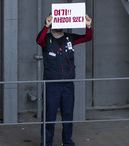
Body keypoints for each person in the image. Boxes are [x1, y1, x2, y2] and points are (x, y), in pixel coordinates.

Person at [36, 12, 92, 146]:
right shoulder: (47, 39)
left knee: (68, 116)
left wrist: (88, 26)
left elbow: (87, 38)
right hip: (52, 85)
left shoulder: (70, 38)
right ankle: (46, 143)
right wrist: (46, 26)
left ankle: (67, 142)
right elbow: (39, 40)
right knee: (49, 116)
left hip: (68, 85)